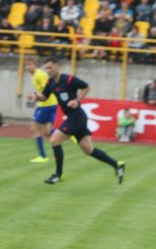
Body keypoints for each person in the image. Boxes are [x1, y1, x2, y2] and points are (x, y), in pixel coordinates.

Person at [27, 57, 126, 185]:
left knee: (54, 139)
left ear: (57, 66)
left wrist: (77, 100)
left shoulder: (69, 79)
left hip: (77, 117)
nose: (48, 71)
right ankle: (117, 165)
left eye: (50, 68)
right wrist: (35, 97)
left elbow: (86, 87)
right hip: (75, 117)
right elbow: (44, 97)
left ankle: (58, 174)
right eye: (46, 68)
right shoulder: (50, 82)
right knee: (89, 150)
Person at [25, 58, 57, 163]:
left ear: (35, 64)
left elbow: (46, 91)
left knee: (35, 129)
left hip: (46, 105)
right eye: (26, 65)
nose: (27, 67)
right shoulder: (36, 75)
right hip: (49, 104)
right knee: (47, 131)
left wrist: (34, 96)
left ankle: (42, 156)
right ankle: (67, 133)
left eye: (29, 64)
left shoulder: (39, 75)